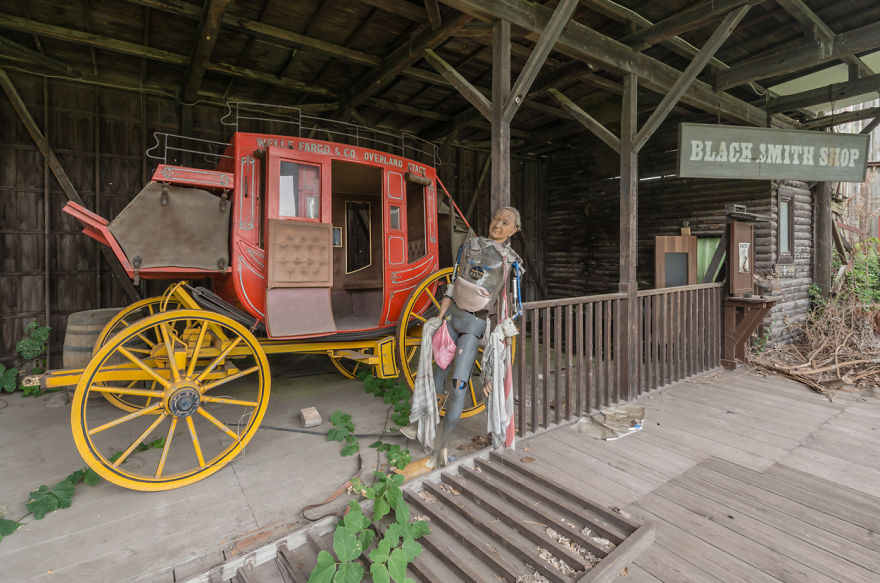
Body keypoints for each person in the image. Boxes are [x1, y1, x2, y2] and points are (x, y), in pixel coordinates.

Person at [403, 206, 524, 466]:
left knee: (458, 386)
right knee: (436, 376)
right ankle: (425, 428)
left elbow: (513, 308)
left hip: (474, 326)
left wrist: (497, 348)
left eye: (505, 223)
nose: (498, 225)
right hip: (451, 320)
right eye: (496, 219)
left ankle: (443, 447)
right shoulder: (469, 246)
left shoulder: (511, 261)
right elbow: (453, 283)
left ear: (514, 230)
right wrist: (439, 317)